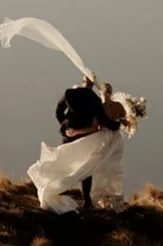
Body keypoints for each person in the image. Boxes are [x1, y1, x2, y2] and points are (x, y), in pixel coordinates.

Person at [26, 76, 138, 213]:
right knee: (86, 166)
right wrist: (117, 125)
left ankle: (59, 188)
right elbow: (103, 120)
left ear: (83, 81)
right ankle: (86, 199)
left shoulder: (70, 93)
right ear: (93, 84)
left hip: (69, 132)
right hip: (86, 135)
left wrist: (66, 126)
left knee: (65, 159)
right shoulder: (93, 99)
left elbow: (58, 110)